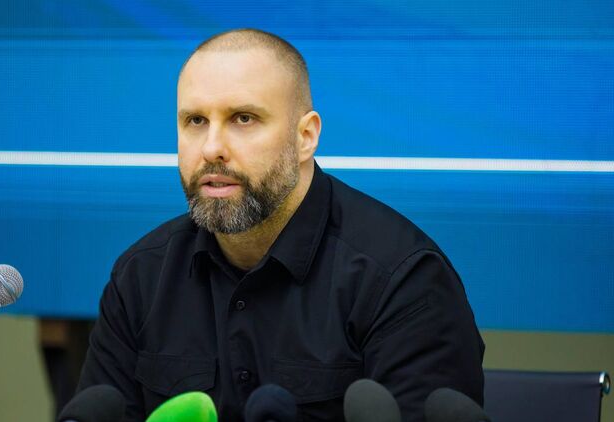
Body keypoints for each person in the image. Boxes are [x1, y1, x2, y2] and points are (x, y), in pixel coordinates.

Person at [77, 28, 485, 422]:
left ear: (305, 136)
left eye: (243, 118)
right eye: (195, 121)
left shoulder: (401, 279)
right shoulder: (140, 277)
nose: (212, 148)